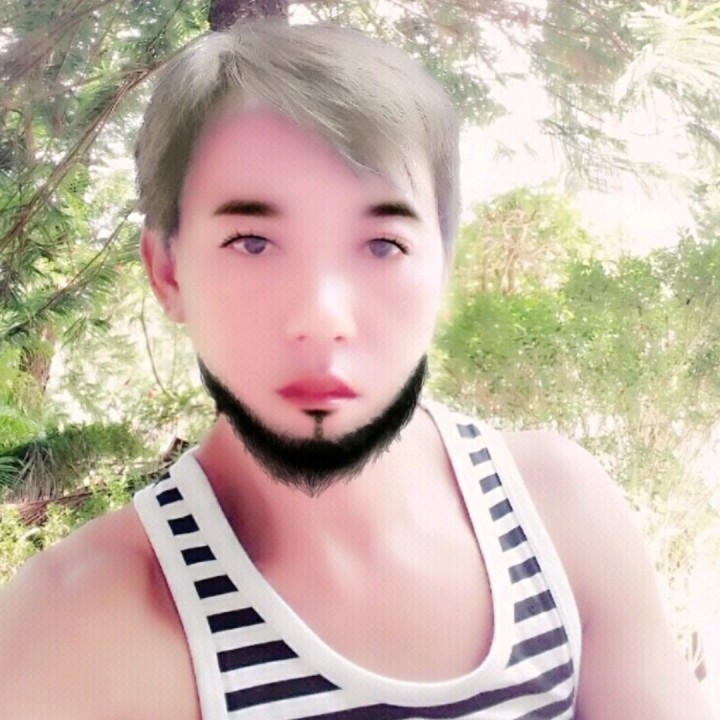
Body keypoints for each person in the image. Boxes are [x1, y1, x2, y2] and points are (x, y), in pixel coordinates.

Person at [0, 18, 713, 720]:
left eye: (382, 245)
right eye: (252, 242)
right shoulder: (73, 633)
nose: (321, 315)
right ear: (167, 272)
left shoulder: (558, 512)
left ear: (443, 267)